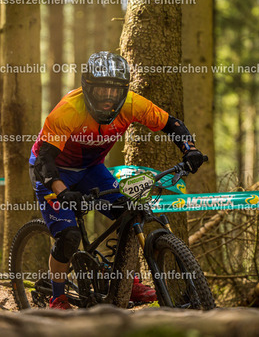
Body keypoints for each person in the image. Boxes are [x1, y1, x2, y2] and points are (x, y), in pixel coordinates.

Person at [29, 51, 205, 310]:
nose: (107, 97)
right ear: (87, 87)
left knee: (128, 213)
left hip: (91, 169)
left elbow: (171, 124)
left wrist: (190, 150)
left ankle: (124, 279)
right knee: (68, 236)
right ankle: (57, 297)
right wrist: (61, 191)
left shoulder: (133, 104)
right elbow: (45, 161)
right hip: (53, 170)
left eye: (114, 91)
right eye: (101, 90)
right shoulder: (68, 110)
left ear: (124, 91)